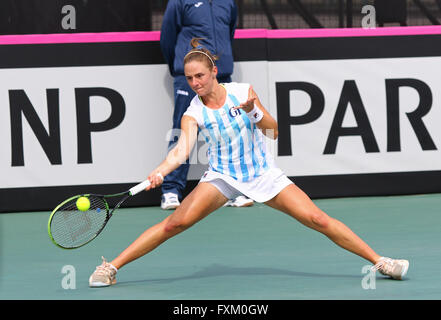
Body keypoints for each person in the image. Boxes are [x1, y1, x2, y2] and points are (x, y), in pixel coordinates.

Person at [88, 41, 409, 287]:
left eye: (200, 75)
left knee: (317, 219)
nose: (195, 82)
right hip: (223, 177)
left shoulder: (242, 93)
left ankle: (380, 262)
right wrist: (161, 170)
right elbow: (182, 151)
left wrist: (253, 111)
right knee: (175, 224)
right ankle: (112, 267)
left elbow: (273, 130)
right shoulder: (193, 111)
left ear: (214, 72)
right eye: (189, 78)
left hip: (263, 174)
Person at [159, 0, 253, 210]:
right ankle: (171, 190)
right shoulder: (180, 2)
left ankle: (233, 189)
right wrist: (180, 69)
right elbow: (167, 37)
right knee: (182, 130)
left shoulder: (228, 2)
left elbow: (229, 33)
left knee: (230, 132)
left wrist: (221, 64)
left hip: (221, 74)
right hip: (190, 77)